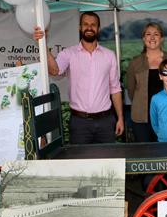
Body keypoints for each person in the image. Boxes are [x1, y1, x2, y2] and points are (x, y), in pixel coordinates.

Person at [33, 12, 124, 144]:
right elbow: (55, 70)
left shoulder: (109, 55)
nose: (89, 27)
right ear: (80, 27)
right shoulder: (69, 54)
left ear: (98, 28)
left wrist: (120, 118)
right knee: (80, 163)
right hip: (80, 123)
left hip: (106, 122)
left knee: (107, 162)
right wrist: (43, 44)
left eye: (93, 25)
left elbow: (115, 89)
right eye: (85, 24)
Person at [126, 22, 167, 142]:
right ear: (143, 38)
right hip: (141, 119)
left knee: (166, 152)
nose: (152, 37)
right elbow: (131, 91)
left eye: (156, 34)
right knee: (144, 153)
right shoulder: (135, 63)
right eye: (148, 34)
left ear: (162, 38)